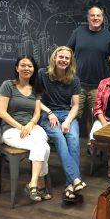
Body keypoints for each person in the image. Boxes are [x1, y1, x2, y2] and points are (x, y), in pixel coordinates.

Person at [0, 56, 51, 202]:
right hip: (11, 130)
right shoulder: (8, 85)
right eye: (23, 65)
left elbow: (37, 112)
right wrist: (21, 127)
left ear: (34, 70)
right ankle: (39, 183)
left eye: (30, 66)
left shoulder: (35, 89)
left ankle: (33, 183)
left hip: (31, 127)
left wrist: (30, 125)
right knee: (42, 146)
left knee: (43, 145)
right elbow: (2, 112)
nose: (27, 68)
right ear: (17, 68)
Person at [38, 46, 87, 202]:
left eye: (67, 58)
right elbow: (36, 99)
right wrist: (49, 113)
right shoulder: (42, 74)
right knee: (59, 137)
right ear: (54, 58)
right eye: (61, 57)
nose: (63, 60)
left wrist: (67, 121)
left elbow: (76, 106)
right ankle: (75, 179)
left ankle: (70, 185)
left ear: (70, 61)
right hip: (48, 115)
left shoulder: (74, 79)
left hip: (67, 115)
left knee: (73, 139)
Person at [67, 4, 110, 137]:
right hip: (77, 84)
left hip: (99, 86)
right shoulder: (78, 32)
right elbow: (67, 52)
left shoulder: (108, 36)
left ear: (102, 18)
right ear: (88, 17)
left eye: (98, 15)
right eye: (92, 15)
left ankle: (92, 144)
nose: (95, 18)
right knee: (74, 116)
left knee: (94, 116)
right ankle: (72, 141)